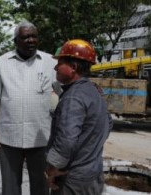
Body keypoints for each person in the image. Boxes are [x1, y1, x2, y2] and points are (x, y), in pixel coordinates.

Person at [0, 21, 57, 195]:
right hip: (9, 137)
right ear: (16, 41)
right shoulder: (2, 62)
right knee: (10, 186)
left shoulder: (50, 62)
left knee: (40, 185)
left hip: (41, 137)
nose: (31, 40)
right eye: (25, 37)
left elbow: (64, 92)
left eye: (34, 36)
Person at [45, 39, 112, 195]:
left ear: (73, 68)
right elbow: (107, 125)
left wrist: (52, 168)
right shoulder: (95, 91)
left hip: (73, 181)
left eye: (60, 63)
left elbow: (66, 142)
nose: (55, 67)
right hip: (93, 175)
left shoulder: (73, 97)